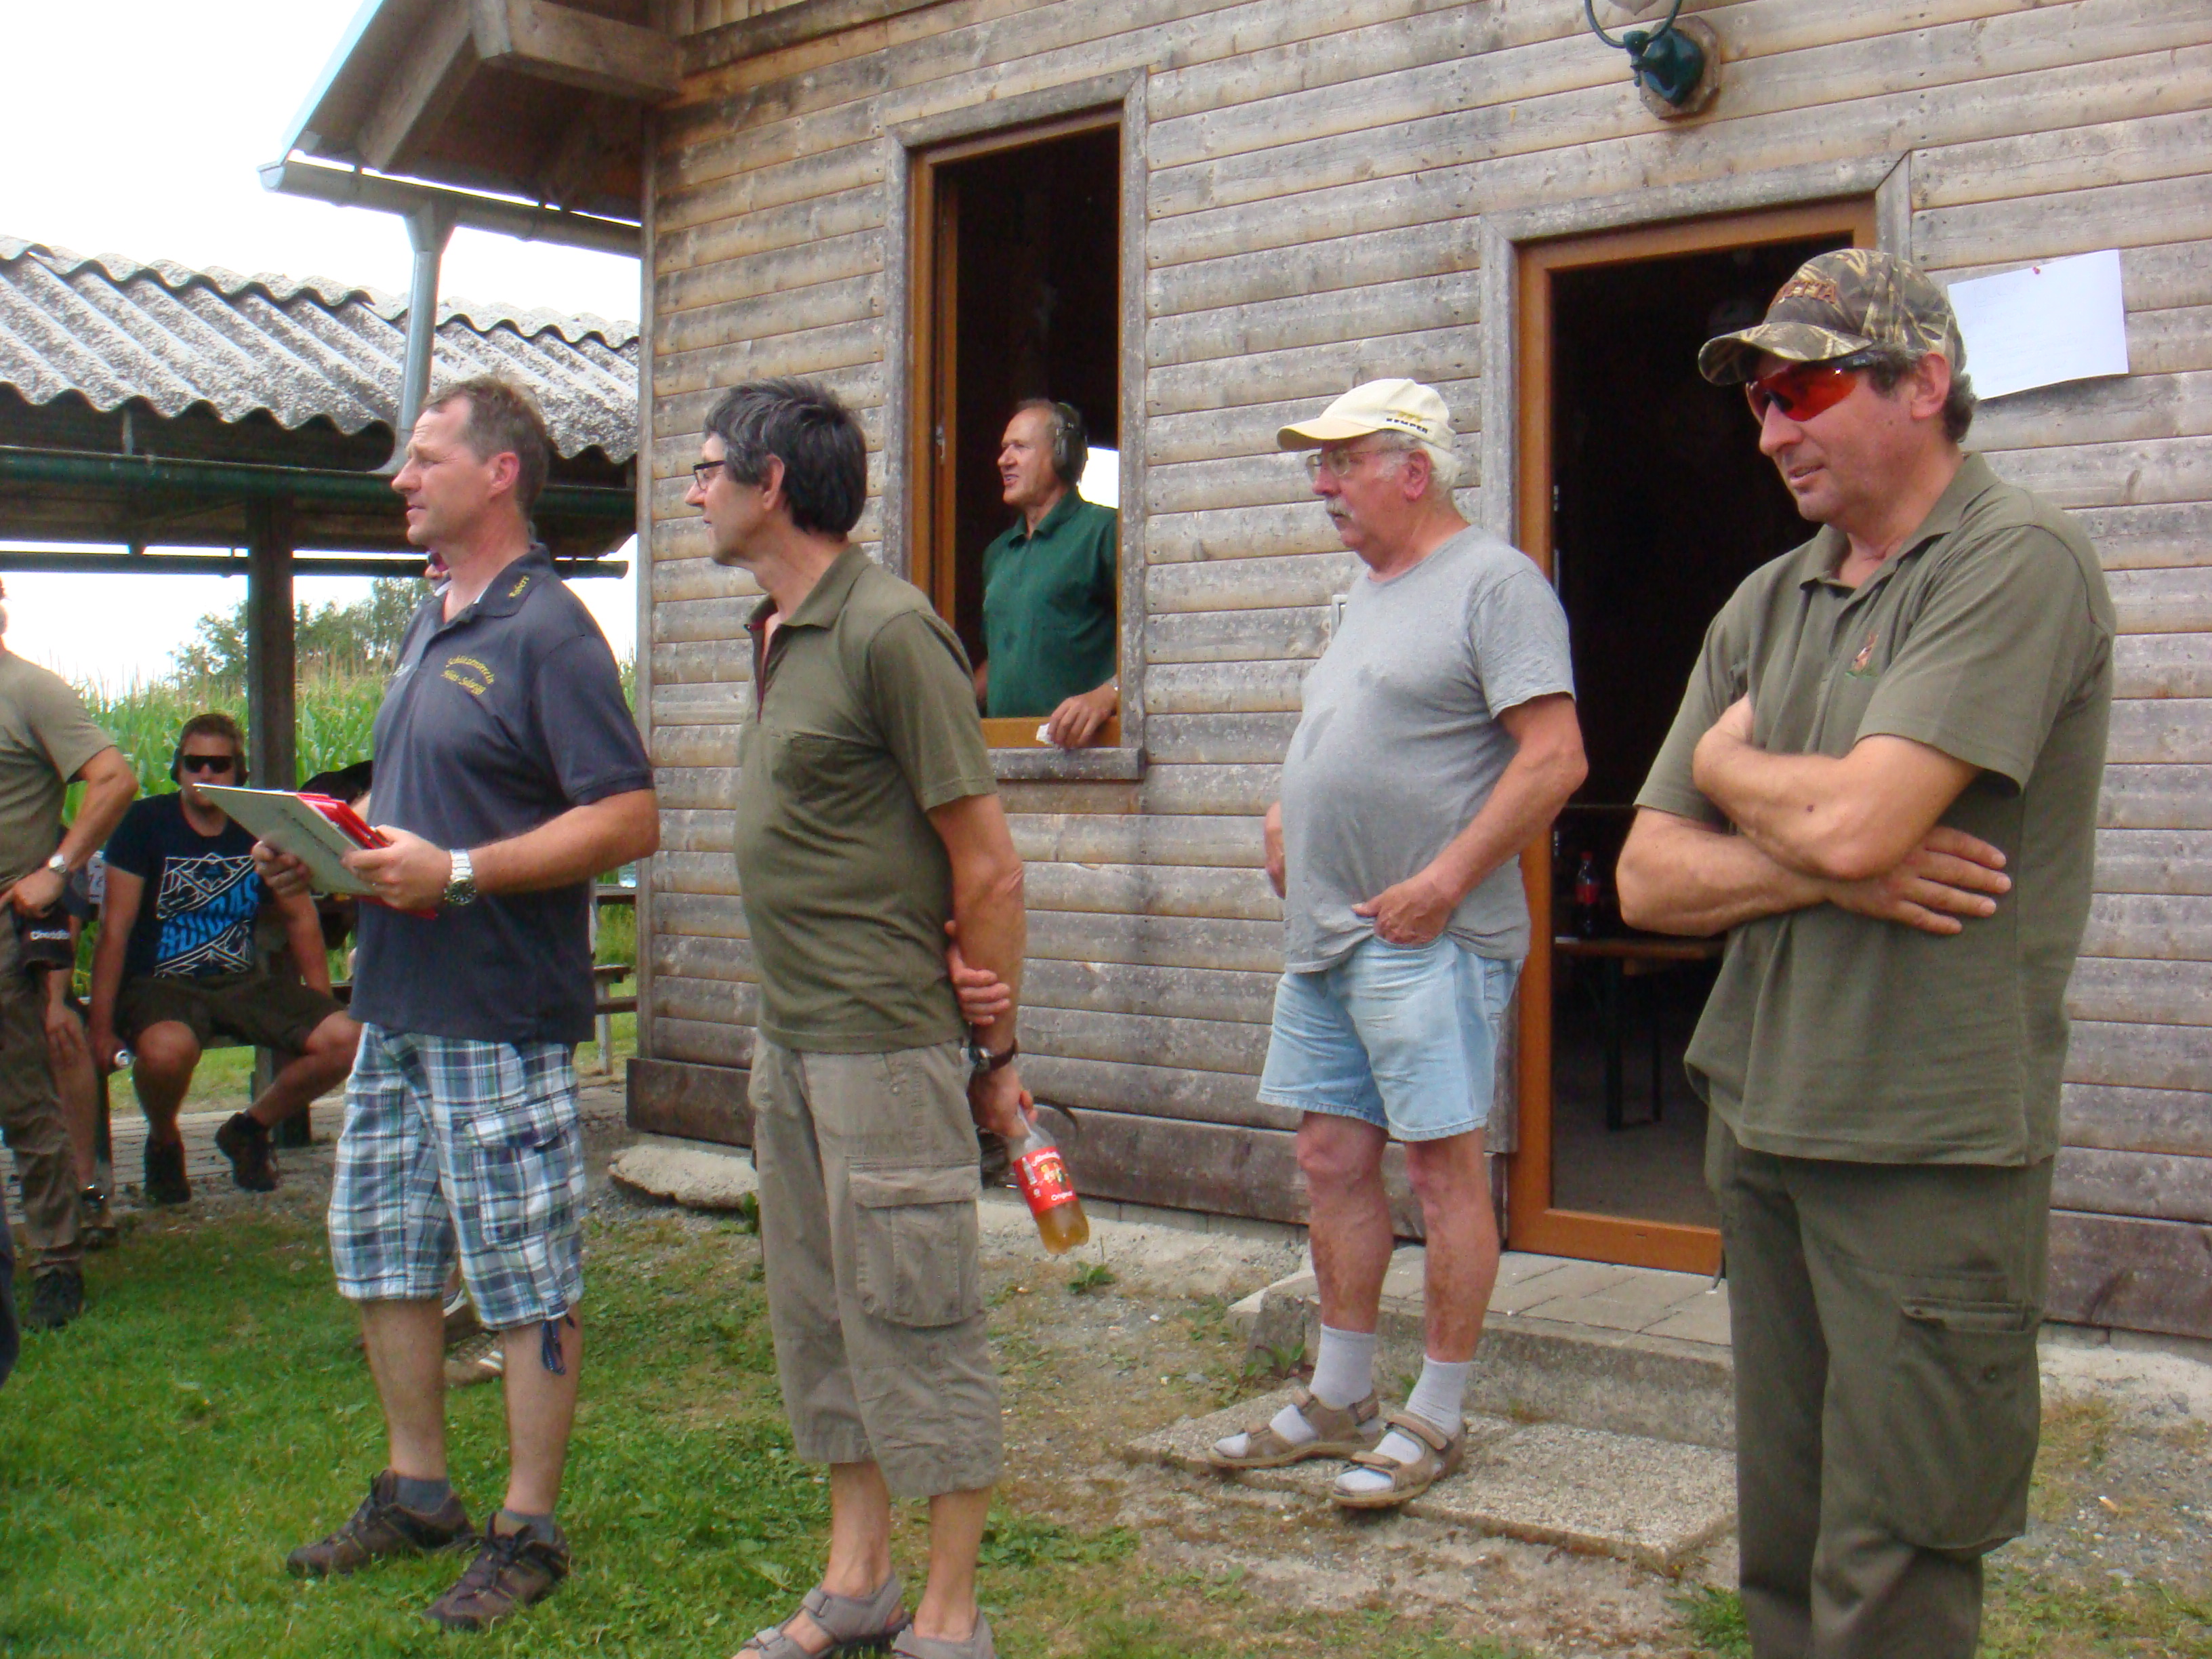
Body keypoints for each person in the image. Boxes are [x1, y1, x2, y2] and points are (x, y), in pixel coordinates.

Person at [1616, 249, 2113, 1658]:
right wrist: (1828, 861)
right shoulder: (1765, 601)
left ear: (1924, 383)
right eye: (1760, 402)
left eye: (1806, 391)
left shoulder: (2014, 560)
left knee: (1894, 1557)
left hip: (1926, 1142)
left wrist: (1739, 773)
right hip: (1764, 1119)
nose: (1771, 431)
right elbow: (1649, 877)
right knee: (1783, 1543)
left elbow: (1860, 821)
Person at [262, 376, 657, 1631]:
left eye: (425, 456)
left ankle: (527, 1529)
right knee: (384, 1248)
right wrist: (329, 853)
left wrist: (465, 873)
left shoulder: (551, 630)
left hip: (497, 1010)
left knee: (525, 1271)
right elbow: (426, 812)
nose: (400, 477)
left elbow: (628, 816)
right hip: (397, 1000)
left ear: (500, 474)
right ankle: (418, 1491)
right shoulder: (433, 617)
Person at [684, 377, 1029, 1659]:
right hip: (790, 1041)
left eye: (707, 468)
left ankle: (949, 1612)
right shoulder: (777, 630)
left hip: (885, 1047)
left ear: (772, 482)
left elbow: (988, 866)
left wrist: (995, 1055)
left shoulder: (891, 630)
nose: (693, 491)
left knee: (917, 1319)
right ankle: (857, 1582)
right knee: (821, 1317)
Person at [1208, 378, 1586, 1509]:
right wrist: (1285, 811)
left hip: (1429, 936)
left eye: (1341, 463)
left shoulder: (1495, 585)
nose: (1320, 485)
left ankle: (1438, 1414)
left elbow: (1554, 759)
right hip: (1328, 935)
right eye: (1316, 465)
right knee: (1329, 1158)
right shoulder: (1362, 594)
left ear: (1413, 471)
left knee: (1439, 1170)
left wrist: (1442, 881)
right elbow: (1350, 731)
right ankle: (1341, 1396)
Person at [87, 713, 360, 1200]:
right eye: (195, 763)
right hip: (159, 985)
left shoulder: (261, 826)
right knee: (167, 1052)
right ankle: (164, 1141)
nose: (206, 774)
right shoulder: (144, 824)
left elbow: (300, 917)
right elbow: (114, 930)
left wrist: (318, 1003)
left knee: (348, 1038)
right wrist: (101, 1028)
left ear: (239, 772)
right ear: (177, 768)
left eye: (219, 764)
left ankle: (249, 1129)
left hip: (240, 980)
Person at [0, 579, 138, 1331]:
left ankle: (57, 1262)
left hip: (6, 927)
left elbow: (116, 779)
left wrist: (56, 870)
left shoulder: (30, 690)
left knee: (24, 1101)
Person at [975, 399, 1120, 749]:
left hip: (1083, 757)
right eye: (1004, 449)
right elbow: (1002, 658)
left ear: (1061, 455)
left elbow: (1156, 644)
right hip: (1004, 754)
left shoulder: (1106, 531)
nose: (1004, 460)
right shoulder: (998, 553)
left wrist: (1109, 693)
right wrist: (949, 707)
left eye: (1020, 447)